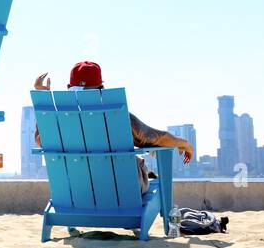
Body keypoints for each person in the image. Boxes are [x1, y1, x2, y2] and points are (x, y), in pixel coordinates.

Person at [34, 60, 193, 192]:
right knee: (144, 170)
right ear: (101, 89)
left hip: (75, 191)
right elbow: (159, 138)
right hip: (122, 191)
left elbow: (41, 140)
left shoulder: (56, 121)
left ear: (69, 88)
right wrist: (184, 144)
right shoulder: (119, 117)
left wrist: (46, 102)